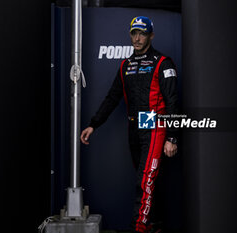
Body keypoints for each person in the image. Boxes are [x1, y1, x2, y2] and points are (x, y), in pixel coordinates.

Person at [80, 16, 179, 233]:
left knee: (145, 181)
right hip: (134, 129)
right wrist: (94, 124)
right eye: (134, 33)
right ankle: (155, 224)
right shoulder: (126, 65)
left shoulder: (163, 63)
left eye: (142, 33)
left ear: (151, 35)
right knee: (150, 182)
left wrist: (172, 137)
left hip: (156, 128)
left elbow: (172, 101)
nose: (137, 37)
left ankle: (139, 228)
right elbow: (112, 97)